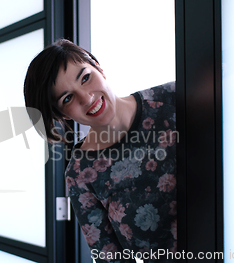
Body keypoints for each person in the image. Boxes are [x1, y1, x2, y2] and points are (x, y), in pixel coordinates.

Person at [24, 39, 177, 263]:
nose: (87, 98)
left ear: (99, 68)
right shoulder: (80, 174)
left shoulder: (173, 97)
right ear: (62, 115)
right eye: (68, 98)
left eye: (85, 78)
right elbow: (110, 259)